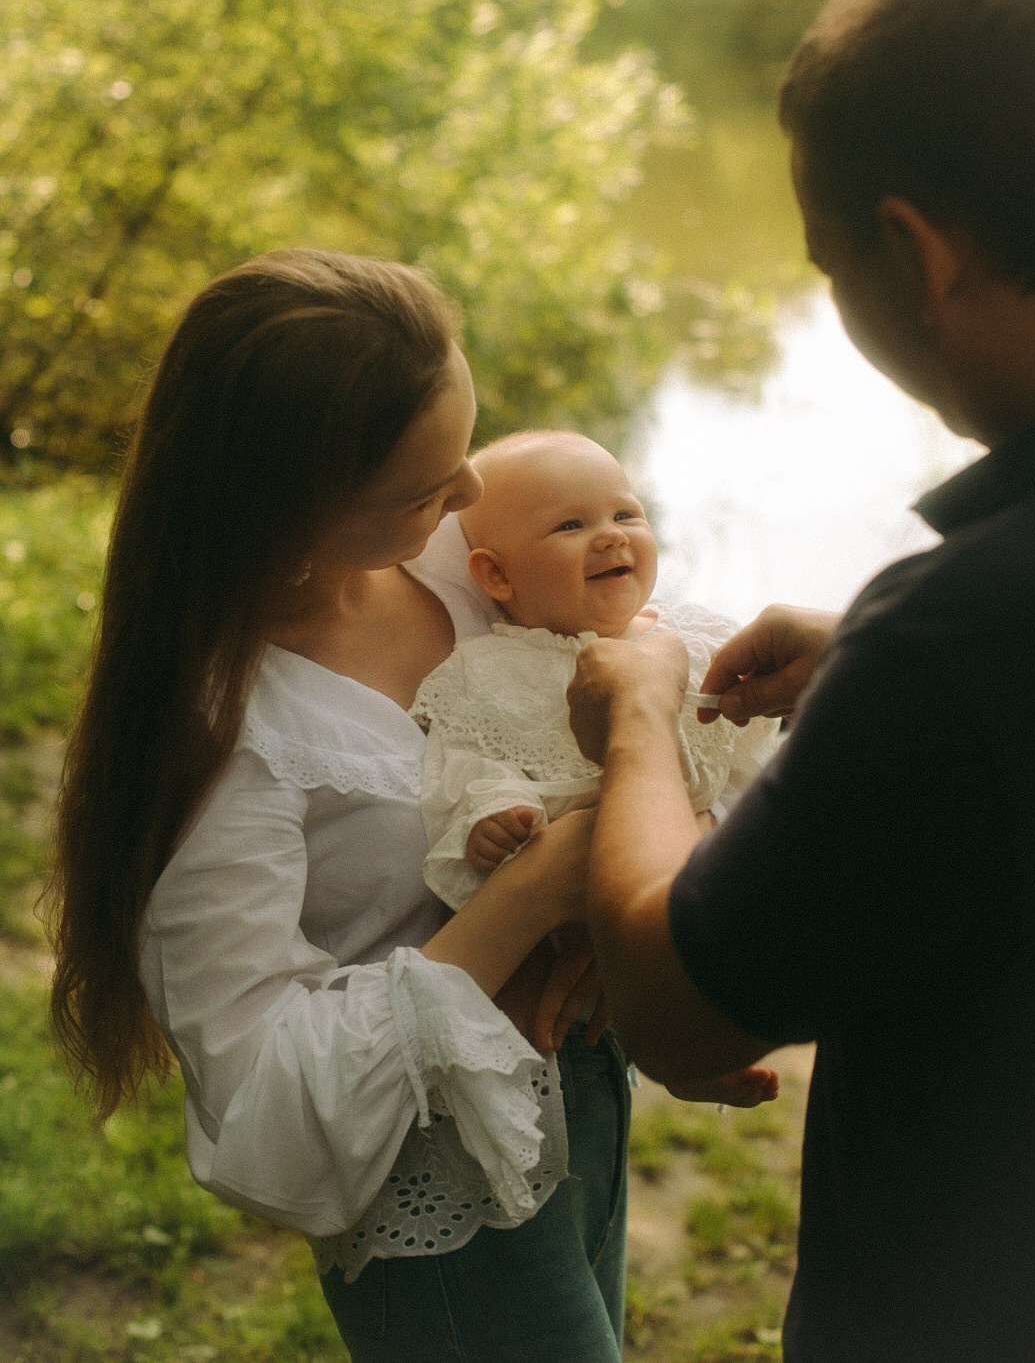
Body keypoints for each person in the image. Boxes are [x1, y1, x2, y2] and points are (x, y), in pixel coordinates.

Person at [566, 0, 1035, 1362]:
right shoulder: (977, 636)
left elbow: (675, 1002)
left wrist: (643, 715)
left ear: (912, 256)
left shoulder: (973, 631)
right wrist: (869, 648)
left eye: (824, 260)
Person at [45, 251, 632, 1363]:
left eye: (461, 456)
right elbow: (263, 1100)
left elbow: (622, 640)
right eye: (423, 489)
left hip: (581, 1094)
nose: (465, 500)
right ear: (290, 509)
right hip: (442, 1202)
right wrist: (534, 892)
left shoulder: (465, 564)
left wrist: (604, 901)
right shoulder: (225, 738)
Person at [412, 429, 781, 1105]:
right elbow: (460, 762)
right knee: (533, 1002)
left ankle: (690, 1055)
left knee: (706, 950)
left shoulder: (696, 638)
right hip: (551, 908)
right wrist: (489, 813)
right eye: (571, 525)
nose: (611, 537)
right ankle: (509, 1089)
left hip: (672, 869)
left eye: (625, 514)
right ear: (497, 575)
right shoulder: (489, 671)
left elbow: (747, 762)